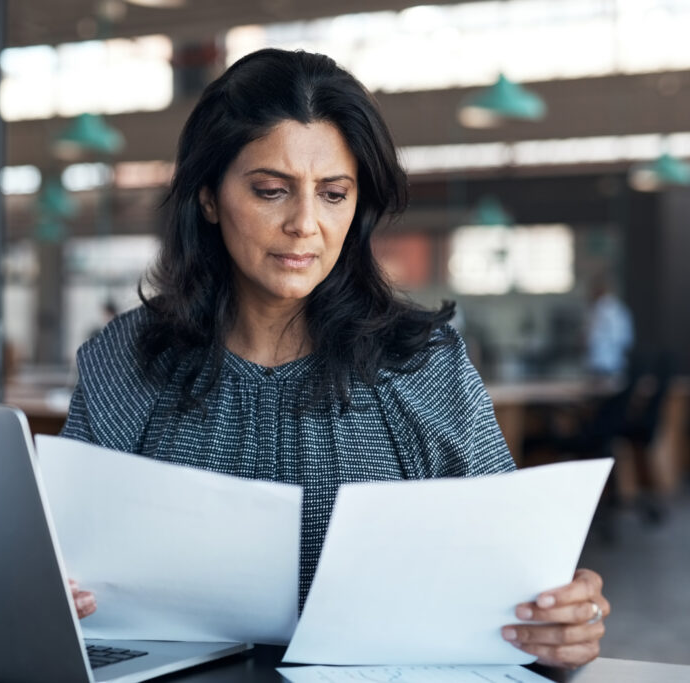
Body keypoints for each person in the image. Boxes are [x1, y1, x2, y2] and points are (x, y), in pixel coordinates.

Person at [60, 48, 610, 669]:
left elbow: (518, 578)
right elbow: (64, 567)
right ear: (209, 197)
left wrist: (561, 618)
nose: (305, 224)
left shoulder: (422, 366)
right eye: (271, 191)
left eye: (333, 193)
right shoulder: (125, 361)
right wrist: (54, 590)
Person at [585, 275, 634, 379]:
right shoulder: (618, 308)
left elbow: (594, 337)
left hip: (604, 362)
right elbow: (626, 339)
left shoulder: (605, 309)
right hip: (612, 361)